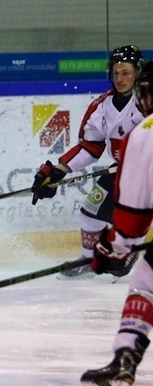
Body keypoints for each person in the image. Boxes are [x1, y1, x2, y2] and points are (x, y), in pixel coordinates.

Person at [31, 45, 146, 278]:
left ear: (137, 73)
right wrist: (59, 169)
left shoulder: (147, 100)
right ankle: (90, 259)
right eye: (116, 73)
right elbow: (90, 146)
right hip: (123, 172)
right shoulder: (102, 106)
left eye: (126, 72)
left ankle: (130, 249)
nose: (120, 78)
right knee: (90, 214)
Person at [78, 60, 153, 386]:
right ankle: (124, 360)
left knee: (145, 285)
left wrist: (116, 247)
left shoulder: (145, 134)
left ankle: (124, 360)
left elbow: (135, 213)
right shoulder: (106, 108)